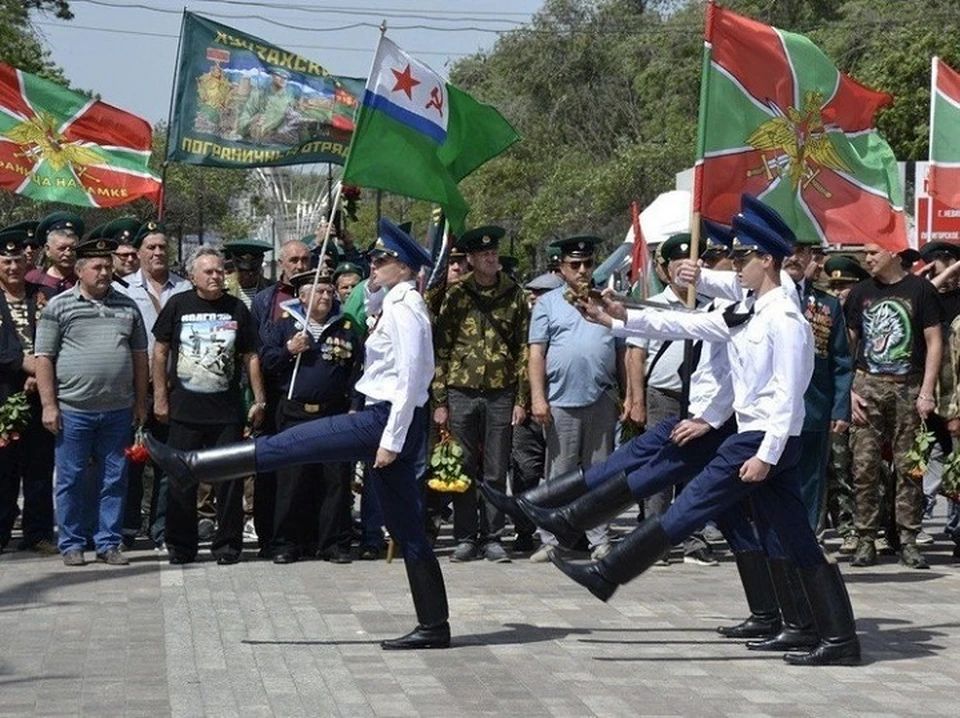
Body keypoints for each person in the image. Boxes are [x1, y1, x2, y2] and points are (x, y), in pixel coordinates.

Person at [537, 195, 860, 667]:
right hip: (758, 436)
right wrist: (618, 315)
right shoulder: (752, 306)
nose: (737, 268)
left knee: (689, 507)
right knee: (795, 536)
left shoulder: (786, 317)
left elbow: (790, 394)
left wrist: (766, 454)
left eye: (744, 259)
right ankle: (829, 636)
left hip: (763, 440)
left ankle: (608, 573)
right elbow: (692, 323)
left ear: (766, 261)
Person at [145, 218, 451, 651]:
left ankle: (192, 466)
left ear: (402, 266)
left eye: (381, 259)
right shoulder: (395, 301)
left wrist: (391, 440)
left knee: (291, 445)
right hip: (386, 420)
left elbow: (413, 379)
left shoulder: (406, 308)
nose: (373, 265)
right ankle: (435, 625)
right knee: (408, 527)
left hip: (383, 420)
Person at [34, 236, 149, 567]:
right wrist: (49, 405)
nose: (104, 272)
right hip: (73, 410)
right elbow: (44, 358)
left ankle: (108, 542)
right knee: (70, 478)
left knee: (114, 479)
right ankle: (71, 542)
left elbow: (140, 357)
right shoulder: (58, 306)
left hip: (117, 410)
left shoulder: (128, 306)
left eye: (107, 267)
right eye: (97, 267)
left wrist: (141, 403)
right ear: (80, 271)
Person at [152, 247, 266, 565]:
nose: (216, 276)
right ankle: (181, 545)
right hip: (184, 411)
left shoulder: (236, 309)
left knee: (229, 482)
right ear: (192, 277)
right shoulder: (177, 305)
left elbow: (250, 357)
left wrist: (259, 400)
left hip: (226, 412)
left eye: (219, 271)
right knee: (181, 480)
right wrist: (160, 396)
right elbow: (160, 352)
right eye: (208, 271)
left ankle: (228, 546)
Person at [432, 225, 529, 563]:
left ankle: (493, 537)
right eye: (484, 253)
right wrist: (440, 400)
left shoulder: (514, 294)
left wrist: (521, 398)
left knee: (495, 468)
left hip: (501, 393)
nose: (491, 257)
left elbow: (523, 351)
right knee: (462, 466)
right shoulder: (456, 295)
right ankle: (465, 536)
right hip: (461, 391)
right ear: (471, 259)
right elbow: (441, 349)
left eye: (494, 252)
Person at [622, 232, 718, 566]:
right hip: (663, 395)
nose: (684, 270)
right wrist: (635, 400)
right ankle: (654, 537)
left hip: (702, 403)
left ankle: (693, 537)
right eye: (677, 264)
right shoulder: (655, 306)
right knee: (661, 469)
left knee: (697, 471)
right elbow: (635, 355)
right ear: (664, 271)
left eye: (691, 263)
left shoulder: (712, 306)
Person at [845, 241, 942, 569]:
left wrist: (927, 391)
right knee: (864, 466)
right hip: (867, 385)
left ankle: (909, 538)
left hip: (908, 386)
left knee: (911, 466)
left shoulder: (921, 290)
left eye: (873, 252)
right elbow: (850, 345)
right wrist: (849, 391)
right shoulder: (861, 293)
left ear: (894, 253)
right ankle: (866, 537)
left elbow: (934, 342)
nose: (867, 259)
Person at [527, 235, 621, 562]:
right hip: (561, 399)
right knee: (560, 474)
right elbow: (536, 353)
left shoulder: (606, 299)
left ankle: (600, 539)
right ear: (561, 267)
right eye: (575, 264)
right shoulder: (548, 303)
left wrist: (629, 396)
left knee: (600, 472)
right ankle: (552, 539)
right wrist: (538, 398)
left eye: (588, 264)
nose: (582, 270)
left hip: (601, 396)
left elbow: (624, 350)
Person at [259, 271, 363, 564]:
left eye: (330, 292)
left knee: (335, 482)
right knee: (292, 481)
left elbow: (356, 371)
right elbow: (266, 362)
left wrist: (355, 405)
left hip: (333, 413)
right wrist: (289, 350)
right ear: (302, 297)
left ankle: (333, 543)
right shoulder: (284, 327)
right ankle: (287, 543)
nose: (326, 297)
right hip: (295, 413)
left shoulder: (344, 328)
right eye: (319, 292)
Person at [116, 220, 191, 550]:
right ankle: (128, 526)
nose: (158, 252)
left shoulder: (186, 288)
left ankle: (161, 527)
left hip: (177, 387)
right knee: (130, 461)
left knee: (168, 461)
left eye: (163, 246)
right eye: (151, 247)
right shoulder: (121, 289)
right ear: (139, 252)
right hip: (135, 388)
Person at [0, 227, 57, 555]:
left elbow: (57, 338)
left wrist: (41, 373)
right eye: (6, 261)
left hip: (41, 397)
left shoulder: (43, 295)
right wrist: (24, 364)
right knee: (3, 471)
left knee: (38, 468)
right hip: (4, 395)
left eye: (18, 260)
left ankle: (37, 534)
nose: (12, 267)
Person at [820, 255, 869, 554]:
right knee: (832, 467)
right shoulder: (823, 313)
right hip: (833, 402)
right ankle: (840, 527)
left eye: (846, 286)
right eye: (835, 285)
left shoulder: (867, 313)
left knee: (855, 470)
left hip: (864, 401)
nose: (839, 291)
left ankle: (862, 529)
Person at [26, 211, 82, 294]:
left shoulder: (85, 281)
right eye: (62, 249)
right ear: (47, 249)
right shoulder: (33, 280)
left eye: (73, 248)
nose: (68, 253)